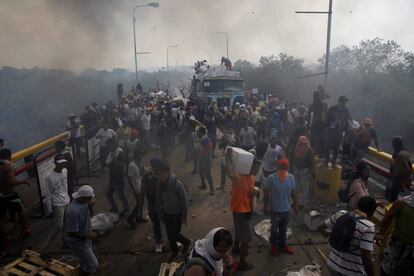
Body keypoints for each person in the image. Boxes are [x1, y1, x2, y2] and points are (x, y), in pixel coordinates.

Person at [318, 196, 377, 276]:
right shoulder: (368, 227)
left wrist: (334, 235)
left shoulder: (341, 213)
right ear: (372, 212)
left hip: (332, 264)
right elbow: (366, 257)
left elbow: (320, 228)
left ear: (358, 206)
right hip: (352, 272)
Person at [225, 148, 261, 271]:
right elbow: (229, 172)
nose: (257, 171)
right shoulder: (240, 176)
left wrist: (253, 194)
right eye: (255, 168)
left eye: (258, 169)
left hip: (241, 208)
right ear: (248, 166)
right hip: (241, 210)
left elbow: (248, 193)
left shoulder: (250, 177)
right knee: (246, 239)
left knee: (238, 230)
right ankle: (242, 263)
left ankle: (235, 248)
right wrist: (228, 157)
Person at [155, 160, 191, 261]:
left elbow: (184, 200)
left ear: (168, 172)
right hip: (167, 213)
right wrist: (159, 211)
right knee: (169, 235)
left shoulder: (176, 184)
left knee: (174, 234)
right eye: (159, 174)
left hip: (177, 214)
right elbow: (158, 198)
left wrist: (184, 215)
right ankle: (174, 251)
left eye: (162, 174)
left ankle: (186, 242)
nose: (160, 176)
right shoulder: (160, 184)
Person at [377, 182, 414, 276]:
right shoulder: (402, 203)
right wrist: (381, 233)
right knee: (387, 269)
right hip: (397, 243)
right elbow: (387, 217)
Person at [263, 159, 298, 256]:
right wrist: (265, 206)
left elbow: (293, 193)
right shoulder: (271, 178)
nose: (283, 170)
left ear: (288, 168)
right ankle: (274, 246)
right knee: (274, 230)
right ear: (277, 168)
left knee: (283, 229)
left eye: (285, 168)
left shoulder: (291, 177)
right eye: (281, 168)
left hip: (286, 209)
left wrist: (296, 205)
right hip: (275, 210)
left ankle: (282, 246)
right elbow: (265, 192)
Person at [0, 148, 31, 251]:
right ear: (9, 156)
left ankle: (4, 241)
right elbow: (10, 181)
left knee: (2, 219)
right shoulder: (8, 166)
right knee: (22, 210)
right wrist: (23, 181)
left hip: (0, 196)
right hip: (10, 194)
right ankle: (24, 230)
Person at [65, 185, 98, 276]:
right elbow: (71, 233)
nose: (91, 200)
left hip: (85, 238)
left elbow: (89, 216)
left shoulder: (85, 203)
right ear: (84, 198)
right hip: (78, 242)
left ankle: (83, 269)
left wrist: (91, 207)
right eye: (90, 198)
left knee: (85, 261)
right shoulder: (73, 212)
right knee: (93, 264)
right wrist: (89, 236)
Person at [43, 155, 70, 251]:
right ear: (55, 163)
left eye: (63, 163)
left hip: (66, 200)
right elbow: (48, 194)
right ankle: (46, 247)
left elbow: (65, 187)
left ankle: (66, 243)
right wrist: (49, 209)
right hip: (57, 204)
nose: (62, 165)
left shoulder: (65, 171)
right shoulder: (49, 177)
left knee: (66, 224)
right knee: (58, 226)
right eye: (60, 163)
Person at [143, 158, 164, 253]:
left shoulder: (164, 175)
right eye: (153, 167)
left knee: (168, 223)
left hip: (164, 204)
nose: (155, 169)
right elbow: (142, 190)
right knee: (156, 224)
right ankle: (158, 242)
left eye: (156, 167)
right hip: (152, 203)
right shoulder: (147, 176)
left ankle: (173, 240)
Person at [324, 95, 351, 168]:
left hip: (339, 131)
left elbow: (347, 122)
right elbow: (327, 119)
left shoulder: (346, 111)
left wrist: (346, 134)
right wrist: (326, 127)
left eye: (345, 102)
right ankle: (326, 161)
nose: (344, 103)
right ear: (339, 101)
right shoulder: (332, 108)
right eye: (343, 101)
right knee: (328, 147)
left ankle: (333, 162)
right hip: (331, 130)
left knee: (336, 148)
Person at [105, 138, 129, 216]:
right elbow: (108, 163)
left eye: (109, 145)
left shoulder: (120, 152)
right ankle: (115, 208)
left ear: (113, 145)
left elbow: (122, 165)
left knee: (121, 195)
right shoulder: (111, 152)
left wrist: (114, 159)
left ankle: (127, 209)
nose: (108, 147)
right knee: (108, 194)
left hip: (119, 177)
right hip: (112, 177)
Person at [126, 149, 148, 229]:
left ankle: (139, 217)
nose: (142, 157)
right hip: (136, 187)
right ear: (137, 155)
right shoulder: (132, 165)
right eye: (141, 155)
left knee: (141, 203)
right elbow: (129, 177)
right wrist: (133, 189)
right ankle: (130, 218)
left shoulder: (139, 163)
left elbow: (142, 172)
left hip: (141, 185)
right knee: (139, 203)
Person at [291, 136, 314, 207]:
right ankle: (301, 203)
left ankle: (298, 202)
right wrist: (311, 171)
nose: (302, 145)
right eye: (301, 144)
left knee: (298, 187)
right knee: (303, 187)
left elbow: (293, 158)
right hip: (302, 169)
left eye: (303, 144)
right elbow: (312, 162)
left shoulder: (297, 148)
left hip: (300, 169)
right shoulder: (309, 150)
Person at [387, 136, 412, 202]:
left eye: (393, 143)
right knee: (395, 197)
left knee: (392, 198)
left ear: (395, 144)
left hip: (397, 179)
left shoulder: (398, 154)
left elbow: (405, 169)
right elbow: (409, 166)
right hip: (400, 179)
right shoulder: (406, 152)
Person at [307, 91, 328, 156]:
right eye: (316, 96)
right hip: (314, 124)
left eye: (318, 95)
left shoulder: (324, 104)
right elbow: (308, 115)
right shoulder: (312, 105)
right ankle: (313, 152)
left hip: (322, 124)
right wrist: (308, 124)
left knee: (322, 138)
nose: (318, 97)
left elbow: (326, 114)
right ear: (314, 97)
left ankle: (322, 153)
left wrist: (326, 123)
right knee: (313, 138)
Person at [197, 126, 215, 195]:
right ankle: (204, 185)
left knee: (208, 175)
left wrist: (201, 151)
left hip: (206, 161)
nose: (197, 133)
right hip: (202, 160)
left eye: (198, 132)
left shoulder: (205, 139)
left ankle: (212, 189)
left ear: (201, 132)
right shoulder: (203, 139)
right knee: (201, 173)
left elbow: (209, 147)